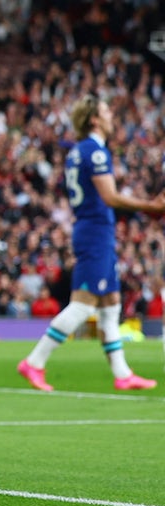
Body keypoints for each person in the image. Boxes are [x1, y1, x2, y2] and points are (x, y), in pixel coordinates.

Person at [18, 95, 163, 392]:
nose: (112, 115)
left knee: (111, 304)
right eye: (107, 110)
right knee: (83, 306)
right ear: (95, 119)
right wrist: (150, 206)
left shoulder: (78, 151)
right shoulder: (95, 151)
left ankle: (122, 373)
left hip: (96, 230)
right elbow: (109, 197)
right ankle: (35, 361)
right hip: (95, 232)